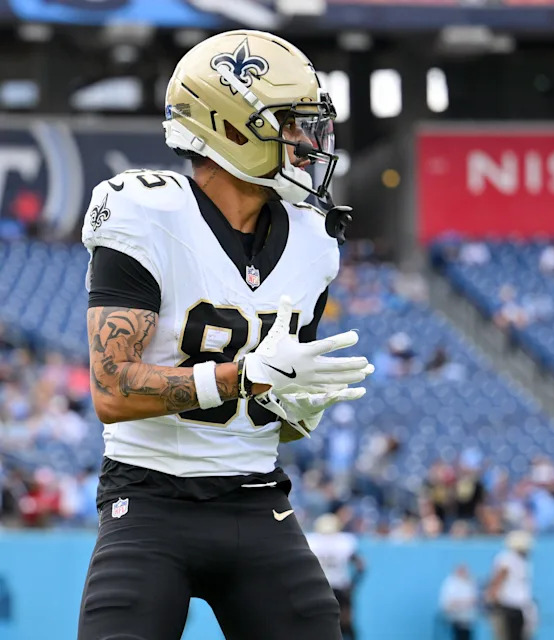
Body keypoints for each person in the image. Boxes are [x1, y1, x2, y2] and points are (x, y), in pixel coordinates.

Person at [76, 30, 375, 640]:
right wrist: (244, 376)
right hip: (149, 498)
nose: (308, 144)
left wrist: (296, 403)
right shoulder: (145, 213)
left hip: (255, 496)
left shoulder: (314, 239)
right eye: (291, 126)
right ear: (232, 128)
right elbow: (112, 388)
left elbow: (274, 415)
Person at [308, 514, 366, 640]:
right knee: (345, 625)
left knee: (320, 625)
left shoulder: (312, 542)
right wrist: (352, 585)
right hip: (340, 588)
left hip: (320, 589)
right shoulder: (344, 542)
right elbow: (361, 565)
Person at [486, 531, 534, 640]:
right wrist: (493, 597)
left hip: (520, 606)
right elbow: (498, 580)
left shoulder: (522, 560)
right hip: (508, 605)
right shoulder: (507, 558)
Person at [440, 565, 479, 640]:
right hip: (454, 618)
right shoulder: (450, 584)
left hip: (468, 618)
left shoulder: (470, 583)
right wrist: (463, 603)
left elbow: (475, 600)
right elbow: (447, 604)